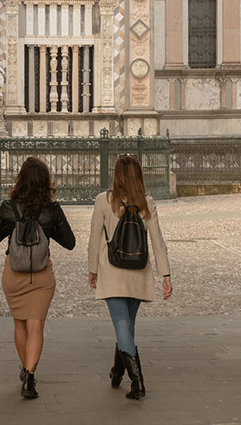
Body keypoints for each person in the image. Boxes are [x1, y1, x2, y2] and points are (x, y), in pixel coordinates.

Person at [0, 156, 76, 400]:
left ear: (20, 180)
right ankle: (30, 375)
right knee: (36, 326)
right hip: (42, 274)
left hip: (13, 273)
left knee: (20, 324)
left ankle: (27, 370)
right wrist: (49, 228)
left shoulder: (8, 208)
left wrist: (9, 225)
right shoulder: (52, 210)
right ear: (46, 182)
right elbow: (70, 243)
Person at [87, 153, 171, 400]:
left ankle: (137, 382)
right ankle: (116, 372)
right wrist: (165, 274)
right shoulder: (147, 202)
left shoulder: (104, 200)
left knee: (122, 326)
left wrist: (93, 269)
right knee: (126, 326)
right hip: (138, 271)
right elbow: (157, 241)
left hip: (112, 271)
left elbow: (94, 239)